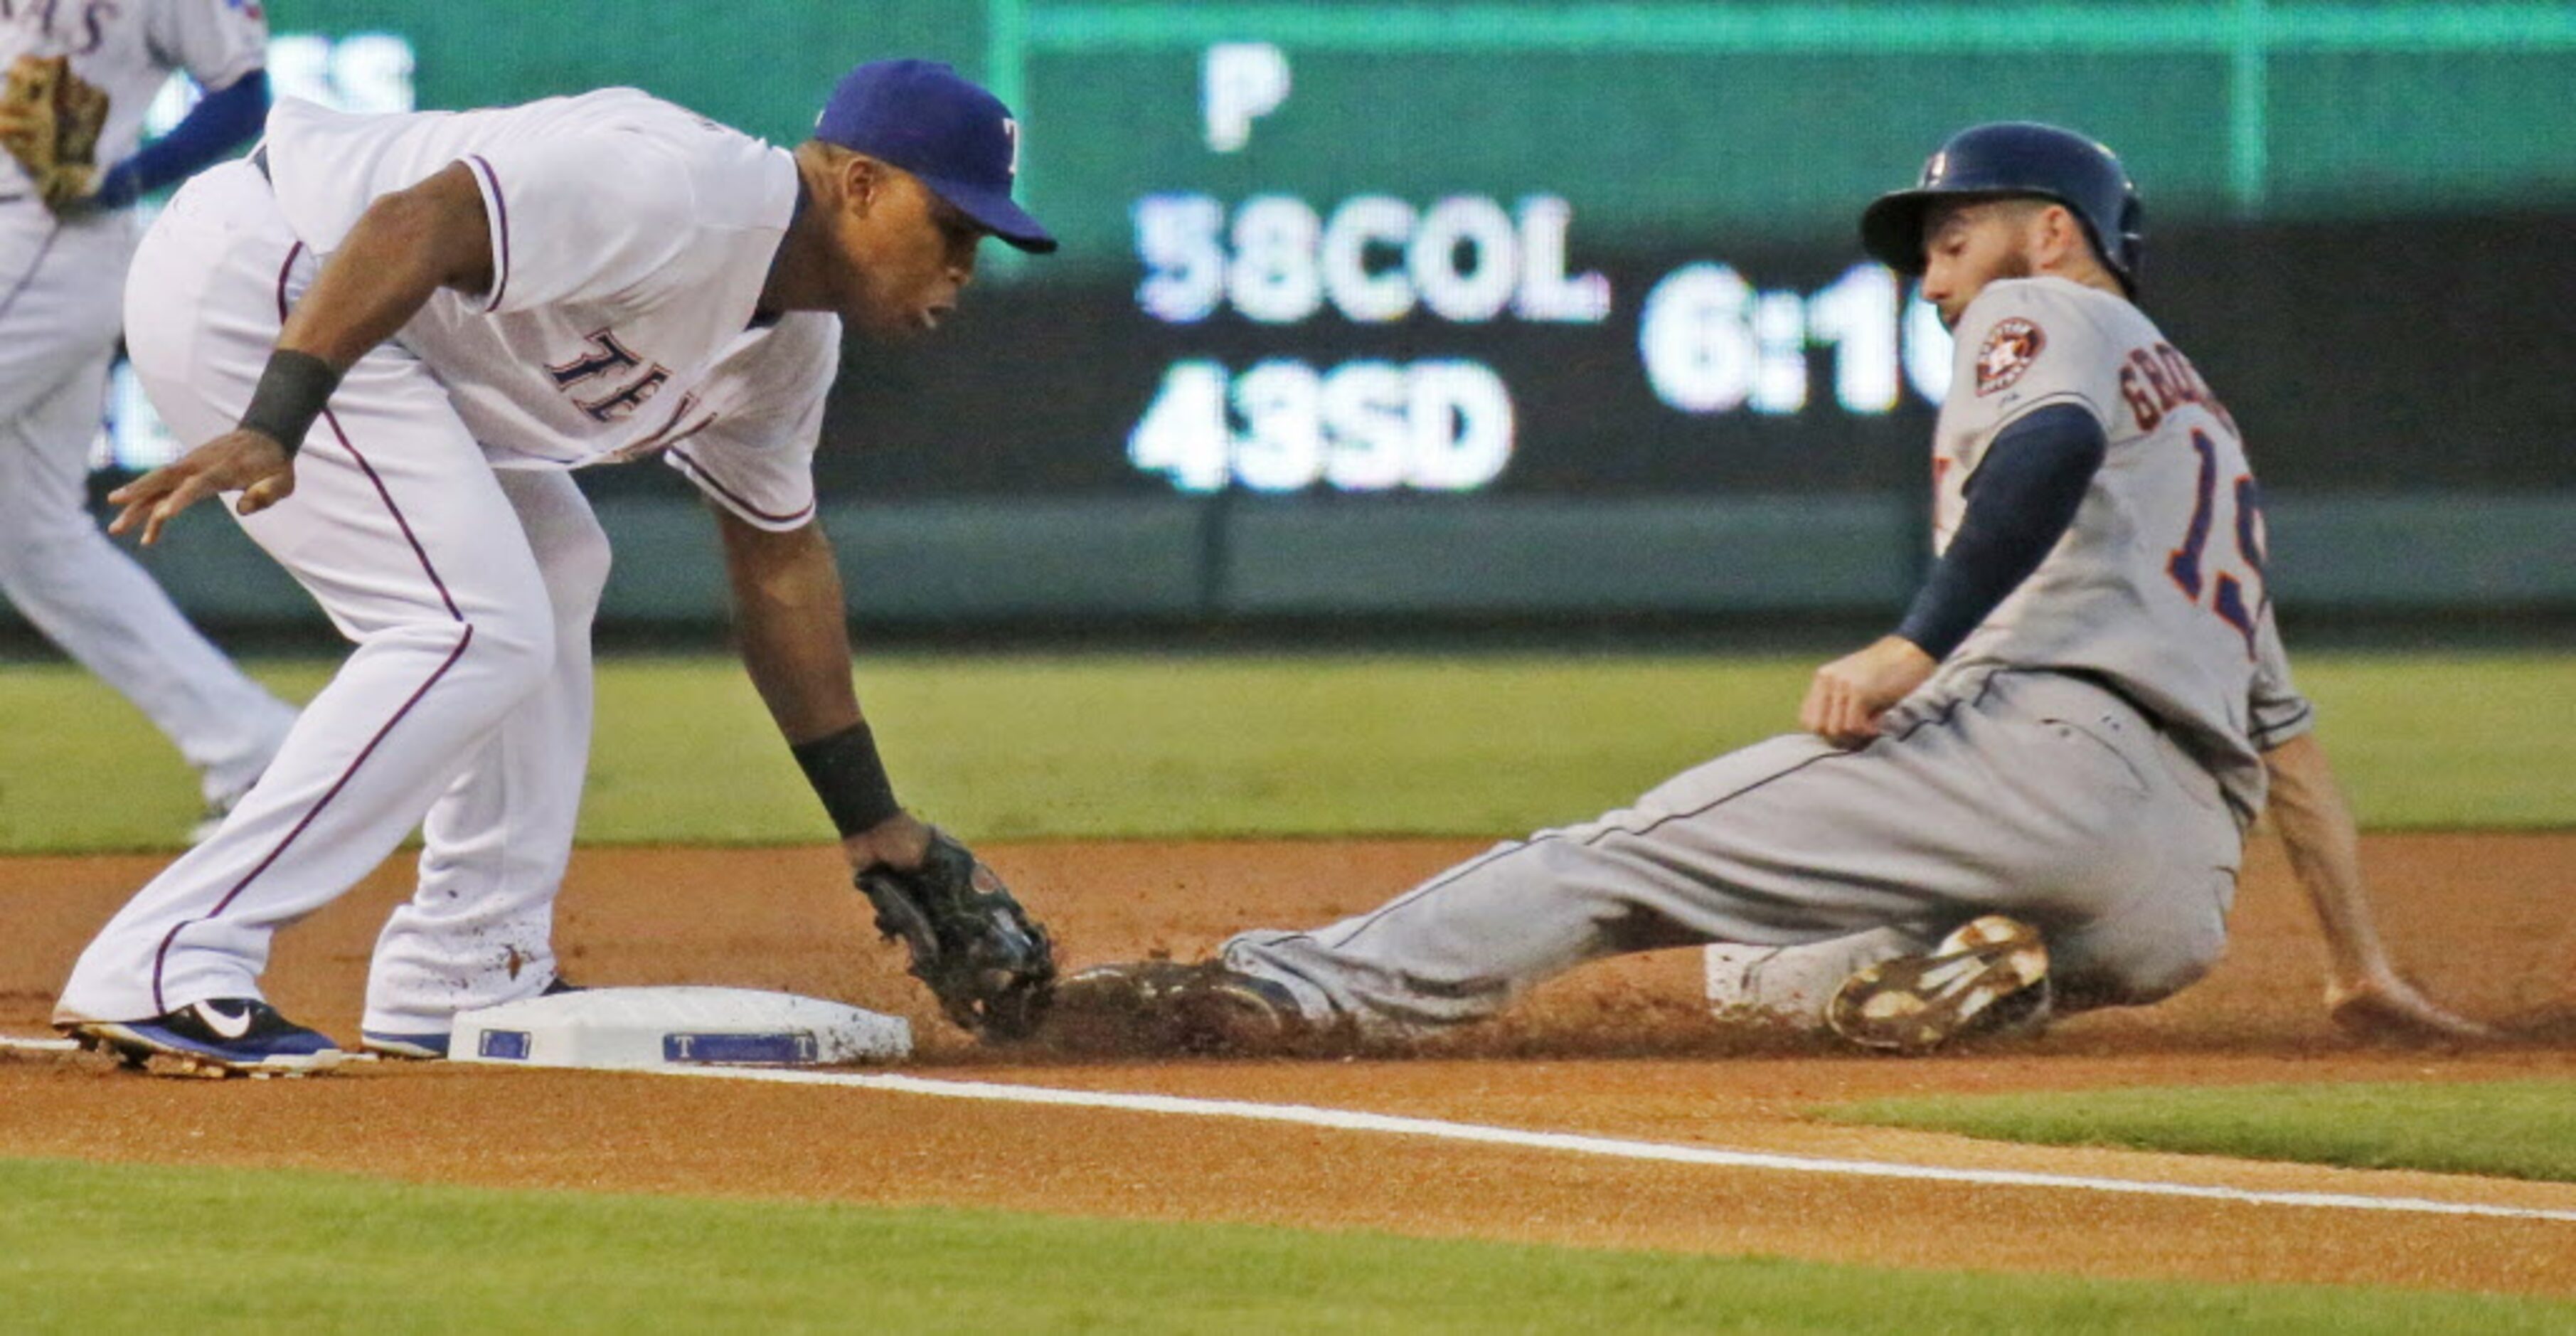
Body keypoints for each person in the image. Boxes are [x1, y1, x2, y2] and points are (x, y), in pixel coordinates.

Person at [1045, 122, 2489, 1057]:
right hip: (2172, 893)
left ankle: (1287, 988)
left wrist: (1909, 647)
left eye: (1952, 236)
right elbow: (2283, 738)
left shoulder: (2045, 309)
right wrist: (2355, 967)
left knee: (1606, 862)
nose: (1932, 280)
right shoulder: (2203, 430)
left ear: (2051, 230)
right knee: (1752, 970)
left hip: (2043, 749)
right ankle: (1991, 964)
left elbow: (2040, 449)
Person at [53, 58, 1059, 1076]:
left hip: (396, 351)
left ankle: (465, 965)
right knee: (470, 625)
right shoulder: (679, 190)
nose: (965, 264)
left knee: (558, 564)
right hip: (270, 279)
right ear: (861, 186)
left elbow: (780, 566)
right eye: (955, 227)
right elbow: (415, 224)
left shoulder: (788, 353)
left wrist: (872, 823)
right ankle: (167, 955)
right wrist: (277, 422)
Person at [0, 0, 297, 839]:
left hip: (47, 238)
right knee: (37, 545)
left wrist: (125, 178)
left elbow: (242, 95)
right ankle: (257, 751)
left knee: (39, 542)